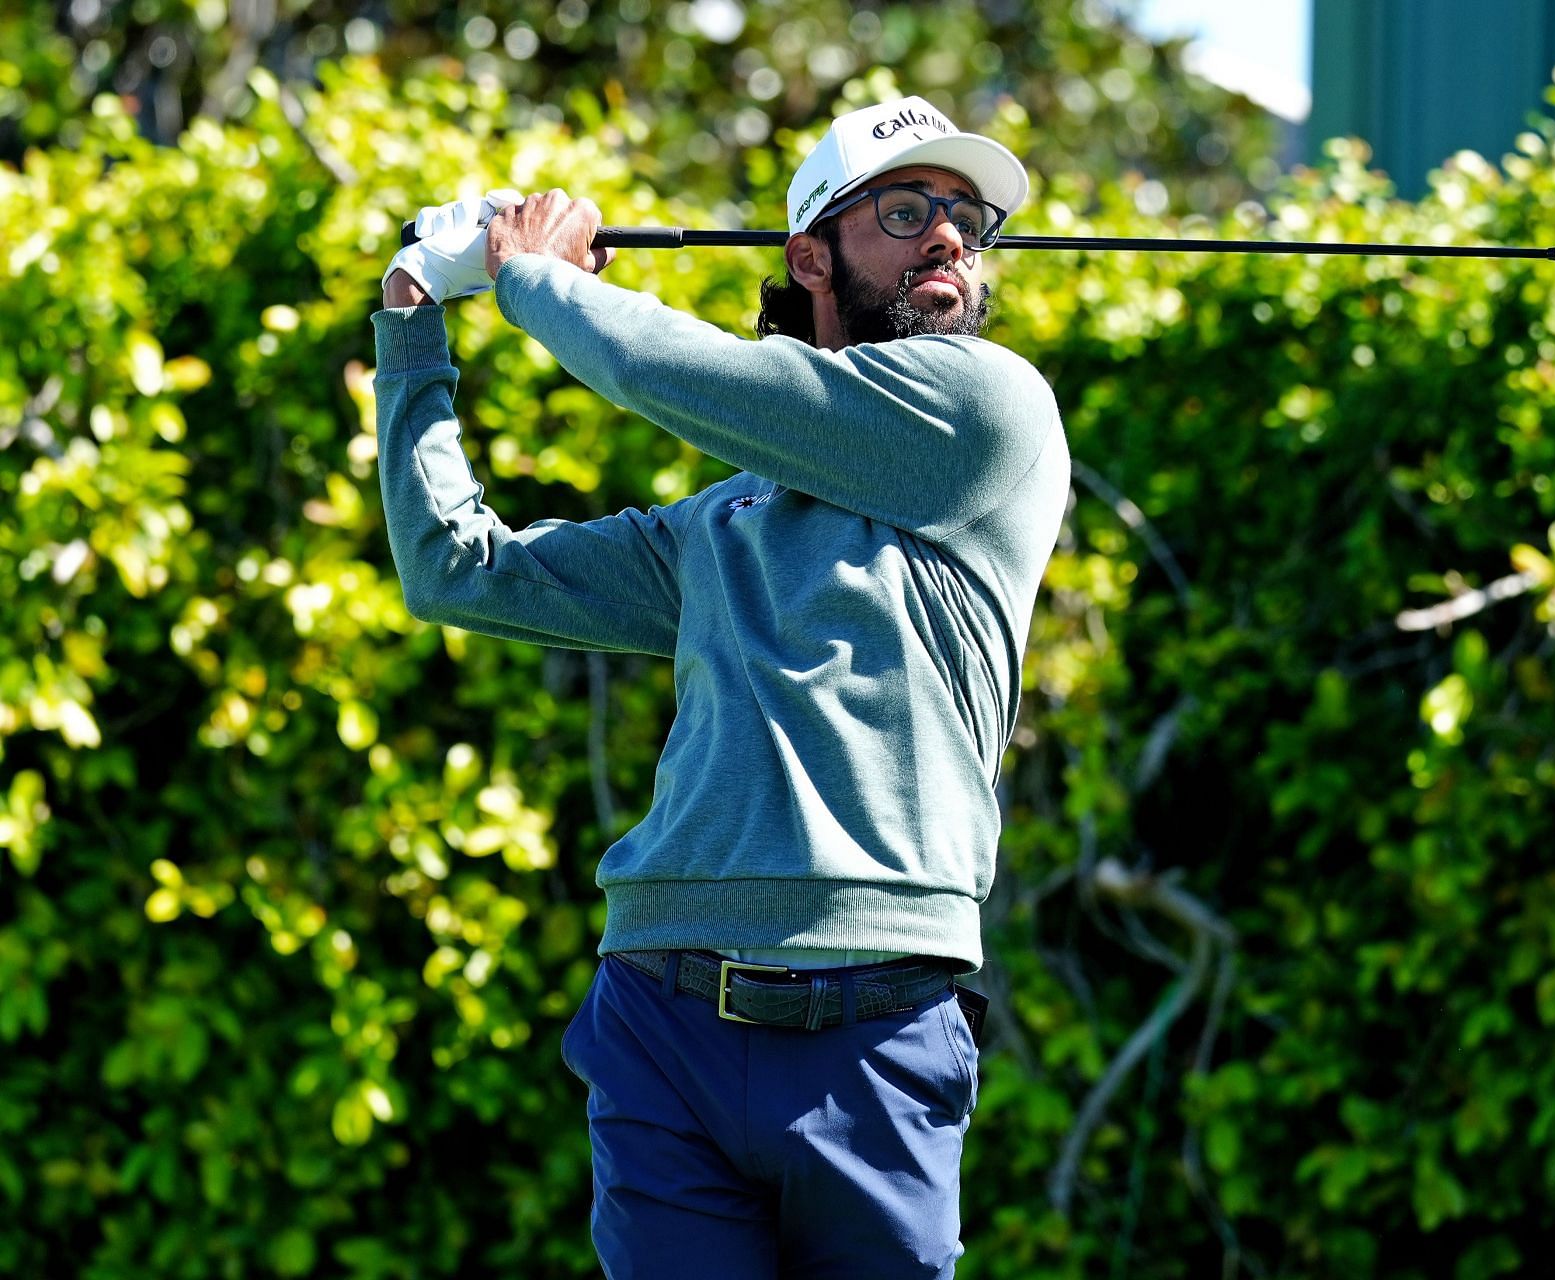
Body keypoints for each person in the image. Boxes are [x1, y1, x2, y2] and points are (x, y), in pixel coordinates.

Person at [371, 95, 1070, 1279]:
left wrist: (539, 280)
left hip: (877, 1026)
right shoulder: (721, 524)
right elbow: (457, 570)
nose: (950, 238)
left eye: (969, 218)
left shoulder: (990, 415)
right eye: (907, 211)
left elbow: (688, 373)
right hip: (663, 1017)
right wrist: (412, 321)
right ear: (812, 257)